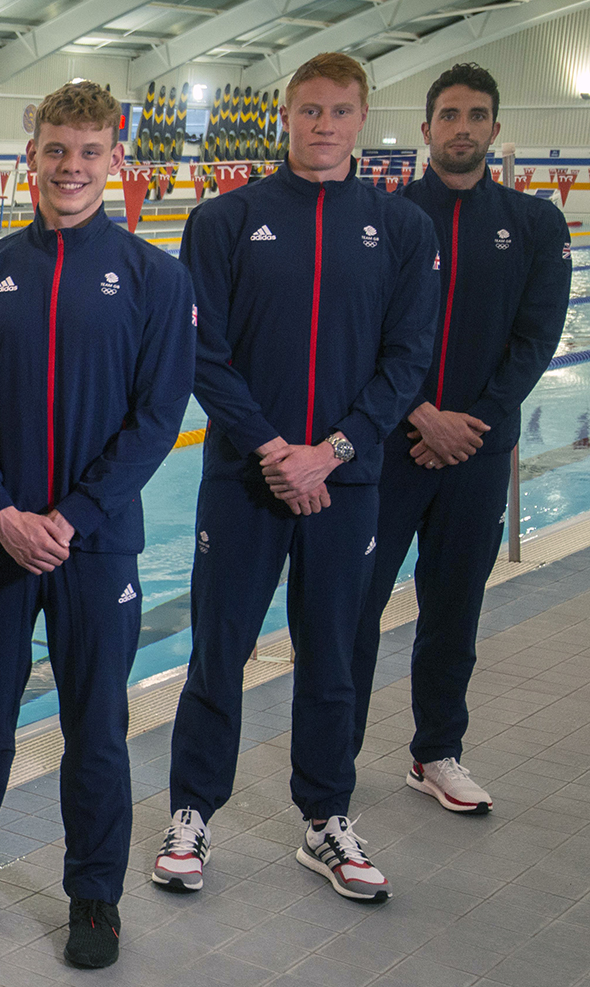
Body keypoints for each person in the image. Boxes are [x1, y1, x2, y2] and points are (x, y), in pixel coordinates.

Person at [0, 83, 193, 969]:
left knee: (95, 720)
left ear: (116, 161)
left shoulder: (153, 276)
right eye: (56, 150)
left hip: (94, 545)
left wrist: (69, 516)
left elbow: (157, 418)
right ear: (30, 158)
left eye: (89, 152)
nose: (71, 167)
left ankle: (94, 893)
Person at [156, 52, 437, 902]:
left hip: (346, 484)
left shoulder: (400, 230)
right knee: (220, 650)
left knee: (334, 655)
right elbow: (204, 352)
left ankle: (325, 818)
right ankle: (192, 811)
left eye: (340, 112)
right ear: (287, 117)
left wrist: (335, 451)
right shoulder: (225, 220)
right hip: (247, 478)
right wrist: (277, 450)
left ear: (362, 119)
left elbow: (407, 358)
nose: (324, 126)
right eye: (309, 111)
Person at [350, 64, 569, 814]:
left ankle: (436, 751)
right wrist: (419, 413)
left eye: (477, 114)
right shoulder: (384, 216)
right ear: (427, 130)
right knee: (357, 606)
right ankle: (333, 754)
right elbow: (362, 336)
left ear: (495, 129)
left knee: (454, 611)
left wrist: (469, 423)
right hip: (388, 448)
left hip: (477, 452)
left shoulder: (536, 224)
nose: (463, 127)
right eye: (449, 114)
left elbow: (537, 338)